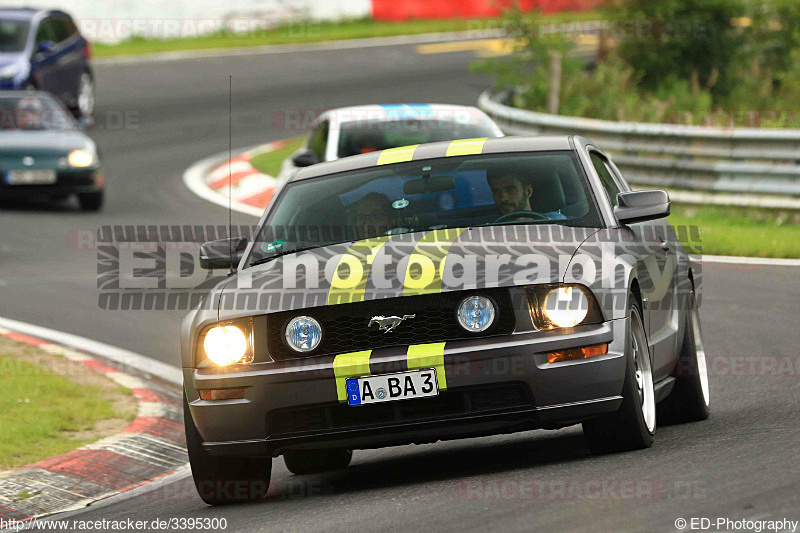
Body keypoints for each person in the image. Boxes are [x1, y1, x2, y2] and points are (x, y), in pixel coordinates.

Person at [486, 169, 566, 221]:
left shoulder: (555, 222)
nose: (503, 198)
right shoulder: (491, 231)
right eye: (496, 191)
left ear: (528, 192)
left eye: (510, 189)